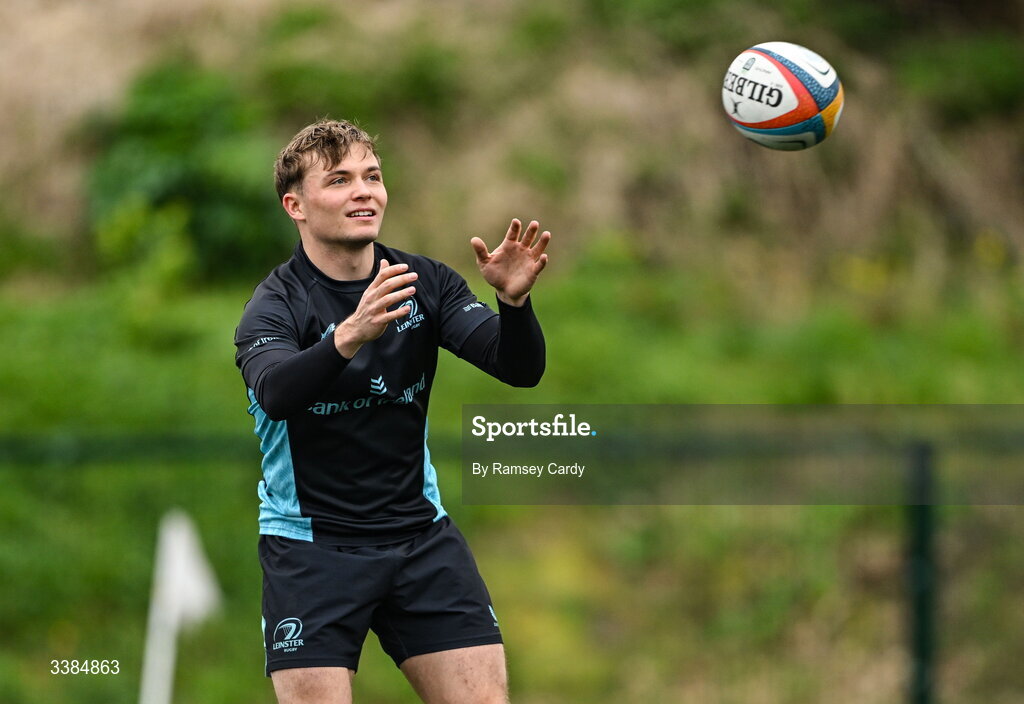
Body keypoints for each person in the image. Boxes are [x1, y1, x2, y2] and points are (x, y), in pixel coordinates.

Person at [234, 118, 551, 704]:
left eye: (372, 176)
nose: (364, 191)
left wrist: (514, 303)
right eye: (340, 180)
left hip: (419, 539)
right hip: (311, 549)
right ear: (295, 205)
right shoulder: (275, 304)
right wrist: (347, 337)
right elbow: (275, 391)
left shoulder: (423, 282)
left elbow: (518, 367)